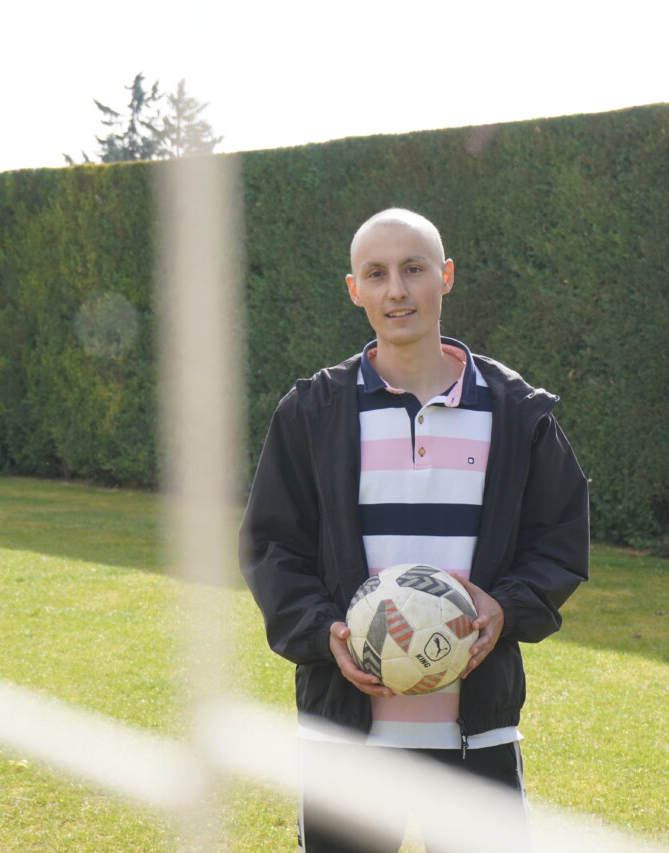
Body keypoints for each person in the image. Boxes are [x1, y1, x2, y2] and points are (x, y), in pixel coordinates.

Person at [239, 208, 590, 851]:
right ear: (355, 290)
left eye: (413, 269)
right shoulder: (313, 411)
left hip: (475, 735)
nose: (395, 290)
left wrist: (505, 607)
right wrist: (326, 632)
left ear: (445, 277)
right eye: (376, 274)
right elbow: (272, 547)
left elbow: (559, 540)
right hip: (346, 737)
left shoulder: (515, 412)